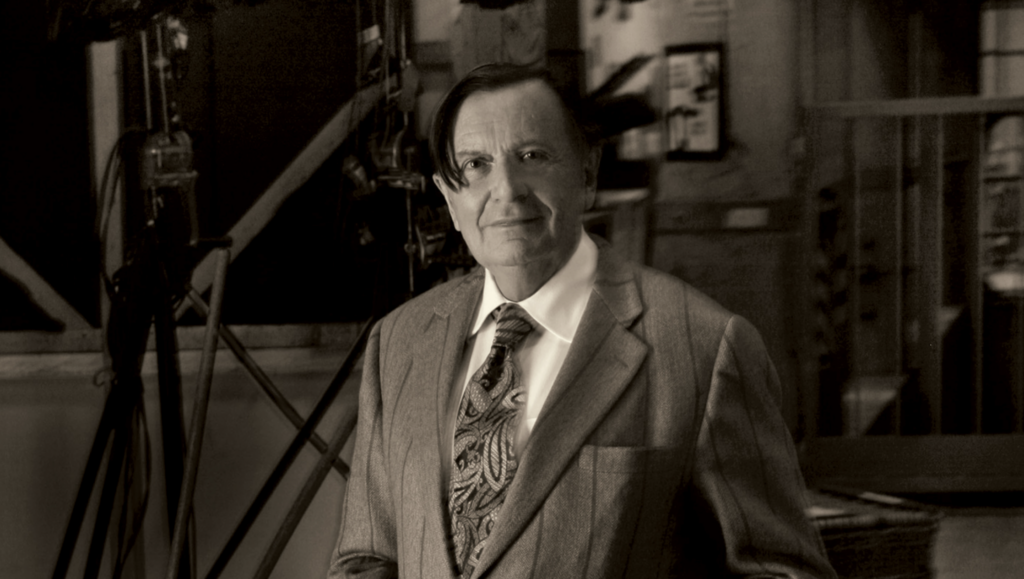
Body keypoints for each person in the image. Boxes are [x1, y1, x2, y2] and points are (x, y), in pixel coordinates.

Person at [327, 63, 836, 579]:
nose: (507, 190)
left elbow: (784, 572)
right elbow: (366, 560)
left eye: (532, 156)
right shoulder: (399, 342)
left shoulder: (706, 347)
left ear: (587, 173)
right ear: (449, 198)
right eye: (476, 164)